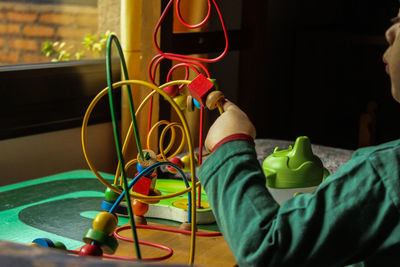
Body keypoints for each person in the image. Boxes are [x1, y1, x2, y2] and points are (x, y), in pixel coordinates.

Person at [197, 8, 400, 267]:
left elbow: (266, 248)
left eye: (399, 20)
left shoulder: (386, 174)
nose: (389, 32)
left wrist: (229, 145)